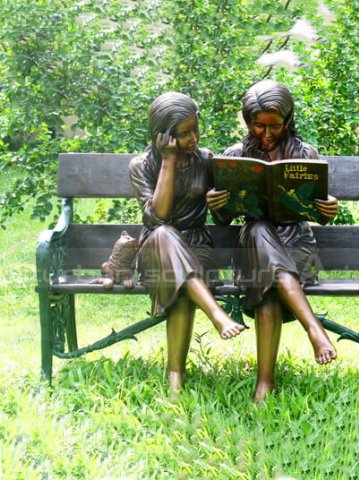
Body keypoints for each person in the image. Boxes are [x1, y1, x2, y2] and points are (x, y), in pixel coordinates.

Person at [207, 80, 338, 402]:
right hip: (253, 245)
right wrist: (217, 205)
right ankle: (314, 329)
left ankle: (265, 383)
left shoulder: (304, 154)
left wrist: (327, 209)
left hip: (296, 246)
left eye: (275, 126)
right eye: (258, 125)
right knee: (256, 229)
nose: (266, 134)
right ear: (247, 120)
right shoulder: (235, 156)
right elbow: (224, 220)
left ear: (288, 120)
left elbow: (316, 211)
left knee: (264, 285)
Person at [129, 92, 245, 392]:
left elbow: (222, 221)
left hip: (196, 249)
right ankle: (217, 314)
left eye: (196, 128)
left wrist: (219, 205)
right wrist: (168, 161)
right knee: (165, 233)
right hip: (156, 248)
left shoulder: (205, 160)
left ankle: (175, 378)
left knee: (181, 287)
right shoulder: (142, 165)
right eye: (184, 133)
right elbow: (157, 218)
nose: (193, 138)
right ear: (162, 135)